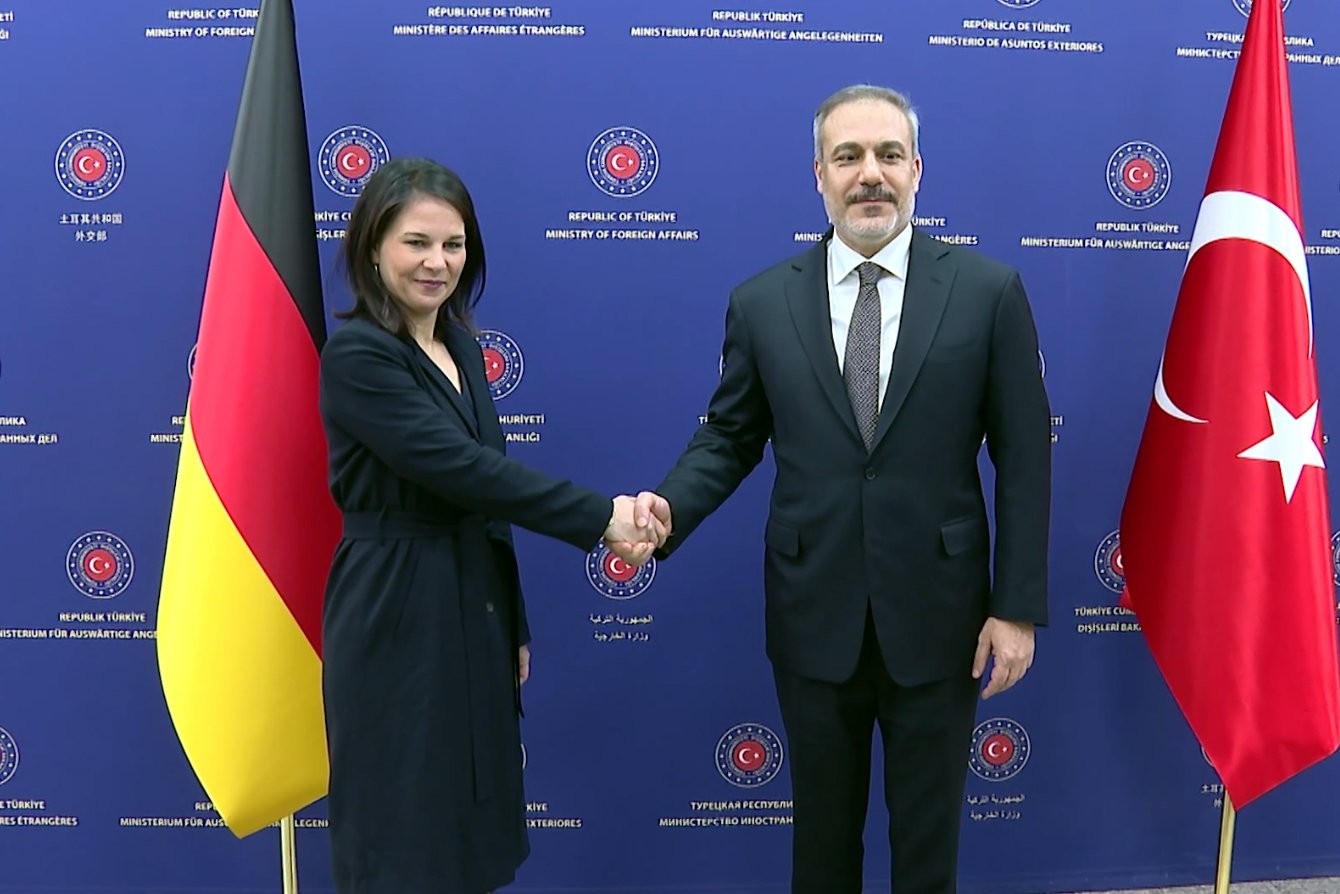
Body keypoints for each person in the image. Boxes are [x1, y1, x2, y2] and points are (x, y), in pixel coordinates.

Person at [633, 85, 1051, 893]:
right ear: (818, 175)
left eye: (889, 155)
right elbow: (729, 436)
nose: (871, 175)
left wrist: (1016, 605)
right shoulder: (762, 302)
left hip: (943, 618)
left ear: (917, 171)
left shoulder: (987, 291)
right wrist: (668, 507)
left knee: (927, 851)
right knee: (822, 849)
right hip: (812, 614)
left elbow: (1027, 456)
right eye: (849, 157)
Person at [318, 157, 663, 894]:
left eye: (454, 244)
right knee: (403, 823)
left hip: (472, 602)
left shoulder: (463, 345)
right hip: (395, 608)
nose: (437, 263)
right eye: (416, 243)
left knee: (471, 825)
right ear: (372, 246)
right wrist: (604, 517)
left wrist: (512, 622)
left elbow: (488, 495)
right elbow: (463, 472)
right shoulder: (357, 356)